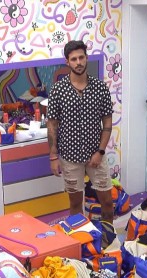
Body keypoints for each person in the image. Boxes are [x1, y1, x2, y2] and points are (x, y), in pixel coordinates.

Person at [47, 40, 115, 224]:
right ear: (67, 62)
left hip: (96, 155)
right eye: (74, 59)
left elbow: (107, 123)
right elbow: (52, 125)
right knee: (76, 204)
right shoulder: (58, 90)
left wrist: (100, 151)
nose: (78, 62)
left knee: (107, 202)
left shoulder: (100, 88)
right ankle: (80, 238)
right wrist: (53, 157)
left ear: (86, 58)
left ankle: (108, 237)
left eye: (81, 57)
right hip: (69, 157)